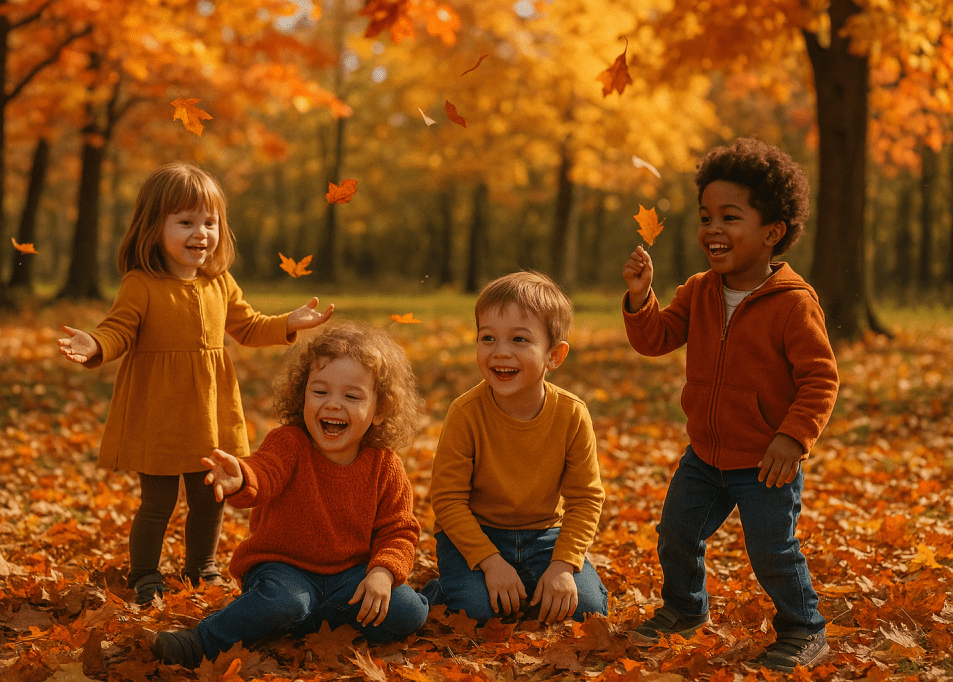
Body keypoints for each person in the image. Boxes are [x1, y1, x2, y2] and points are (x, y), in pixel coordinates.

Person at [58, 163, 334, 606]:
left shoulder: (219, 282)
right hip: (159, 412)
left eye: (210, 222)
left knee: (210, 496)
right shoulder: (141, 284)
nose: (201, 233)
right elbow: (119, 330)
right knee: (158, 502)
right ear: (154, 227)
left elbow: (248, 326)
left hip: (210, 410)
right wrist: (93, 344)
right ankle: (145, 573)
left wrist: (289, 322)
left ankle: (201, 567)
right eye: (185, 222)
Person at [621, 138, 839, 672]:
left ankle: (804, 627)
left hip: (765, 460)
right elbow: (656, 338)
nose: (712, 228)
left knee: (772, 552)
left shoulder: (792, 303)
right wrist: (640, 298)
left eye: (730, 217)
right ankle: (683, 608)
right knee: (676, 533)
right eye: (705, 216)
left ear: (772, 232)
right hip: (705, 454)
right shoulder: (700, 290)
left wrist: (792, 438)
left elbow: (820, 378)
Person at [151, 323, 430, 668]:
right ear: (302, 396)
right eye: (320, 392)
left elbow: (398, 531)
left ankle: (311, 622)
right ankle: (202, 640)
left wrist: (383, 573)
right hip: (284, 571)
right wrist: (241, 477)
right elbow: (264, 472)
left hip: (350, 579)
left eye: (351, 396)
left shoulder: (385, 466)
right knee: (285, 602)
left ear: (380, 409)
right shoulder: (290, 444)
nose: (333, 405)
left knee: (409, 610)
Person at [423, 271, 608, 625]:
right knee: (478, 612)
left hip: (545, 536)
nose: (500, 352)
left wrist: (563, 565)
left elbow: (586, 498)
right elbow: (447, 499)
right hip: (477, 532)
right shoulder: (466, 413)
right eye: (487, 338)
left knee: (585, 609)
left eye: (520, 340)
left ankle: (532, 580)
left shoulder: (571, 413)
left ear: (554, 355)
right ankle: (446, 588)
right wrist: (490, 562)